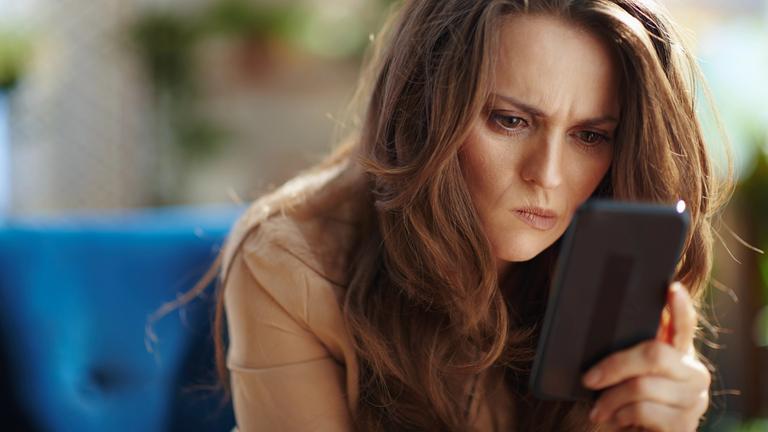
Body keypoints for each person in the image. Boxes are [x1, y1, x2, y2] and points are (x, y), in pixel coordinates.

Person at [178, 1, 734, 430]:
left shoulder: (617, 245)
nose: (549, 175)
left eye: (590, 135)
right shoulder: (290, 262)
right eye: (511, 121)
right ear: (428, 111)